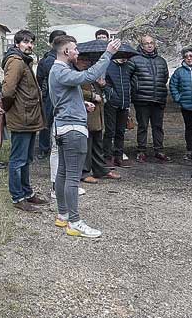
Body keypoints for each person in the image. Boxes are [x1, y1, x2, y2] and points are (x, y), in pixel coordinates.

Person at [48, 35, 121, 239]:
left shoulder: (60, 71)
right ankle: (75, 222)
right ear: (66, 52)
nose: (77, 52)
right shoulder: (60, 70)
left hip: (64, 127)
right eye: (75, 49)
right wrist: (108, 54)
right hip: (72, 130)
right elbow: (88, 77)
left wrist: (82, 104)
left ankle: (62, 215)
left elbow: (65, 96)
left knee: (62, 173)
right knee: (72, 177)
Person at [0, 30, 51, 212]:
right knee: (18, 159)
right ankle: (18, 197)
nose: (30, 45)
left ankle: (27, 193)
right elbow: (7, 92)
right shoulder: (15, 61)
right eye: (26, 42)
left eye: (31, 42)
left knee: (26, 158)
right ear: (17, 44)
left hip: (28, 117)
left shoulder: (23, 60)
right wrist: (8, 108)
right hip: (22, 117)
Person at [126, 35, 170, 162]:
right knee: (143, 126)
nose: (149, 45)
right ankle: (141, 151)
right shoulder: (134, 60)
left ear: (155, 44)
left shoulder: (161, 60)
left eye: (151, 43)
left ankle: (159, 150)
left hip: (158, 99)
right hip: (142, 99)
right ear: (141, 45)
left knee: (158, 126)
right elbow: (128, 78)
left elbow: (165, 77)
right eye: (146, 43)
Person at [77, 55, 121, 184]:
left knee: (97, 143)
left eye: (87, 60)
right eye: (84, 60)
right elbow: (76, 91)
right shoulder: (74, 74)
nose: (86, 63)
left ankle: (100, 169)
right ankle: (84, 172)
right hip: (85, 113)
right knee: (87, 144)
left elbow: (96, 90)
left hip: (96, 113)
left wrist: (101, 86)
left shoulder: (88, 74)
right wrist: (92, 95)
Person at [35, 30, 66, 161]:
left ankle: (60, 147)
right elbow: (39, 78)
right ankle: (44, 148)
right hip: (49, 96)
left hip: (64, 95)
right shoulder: (48, 60)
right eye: (58, 40)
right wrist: (43, 94)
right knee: (47, 122)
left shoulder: (68, 57)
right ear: (51, 43)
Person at [168, 47, 192, 162]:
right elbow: (173, 85)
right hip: (186, 105)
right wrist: (178, 98)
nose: (189, 58)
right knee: (189, 129)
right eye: (186, 57)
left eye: (191, 56)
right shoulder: (179, 71)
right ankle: (189, 150)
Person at [103, 52, 132, 169]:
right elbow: (103, 83)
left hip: (124, 103)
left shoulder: (128, 67)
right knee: (110, 131)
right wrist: (111, 94)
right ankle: (107, 156)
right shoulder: (108, 65)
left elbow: (130, 83)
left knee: (120, 131)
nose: (123, 58)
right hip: (111, 103)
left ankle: (118, 156)